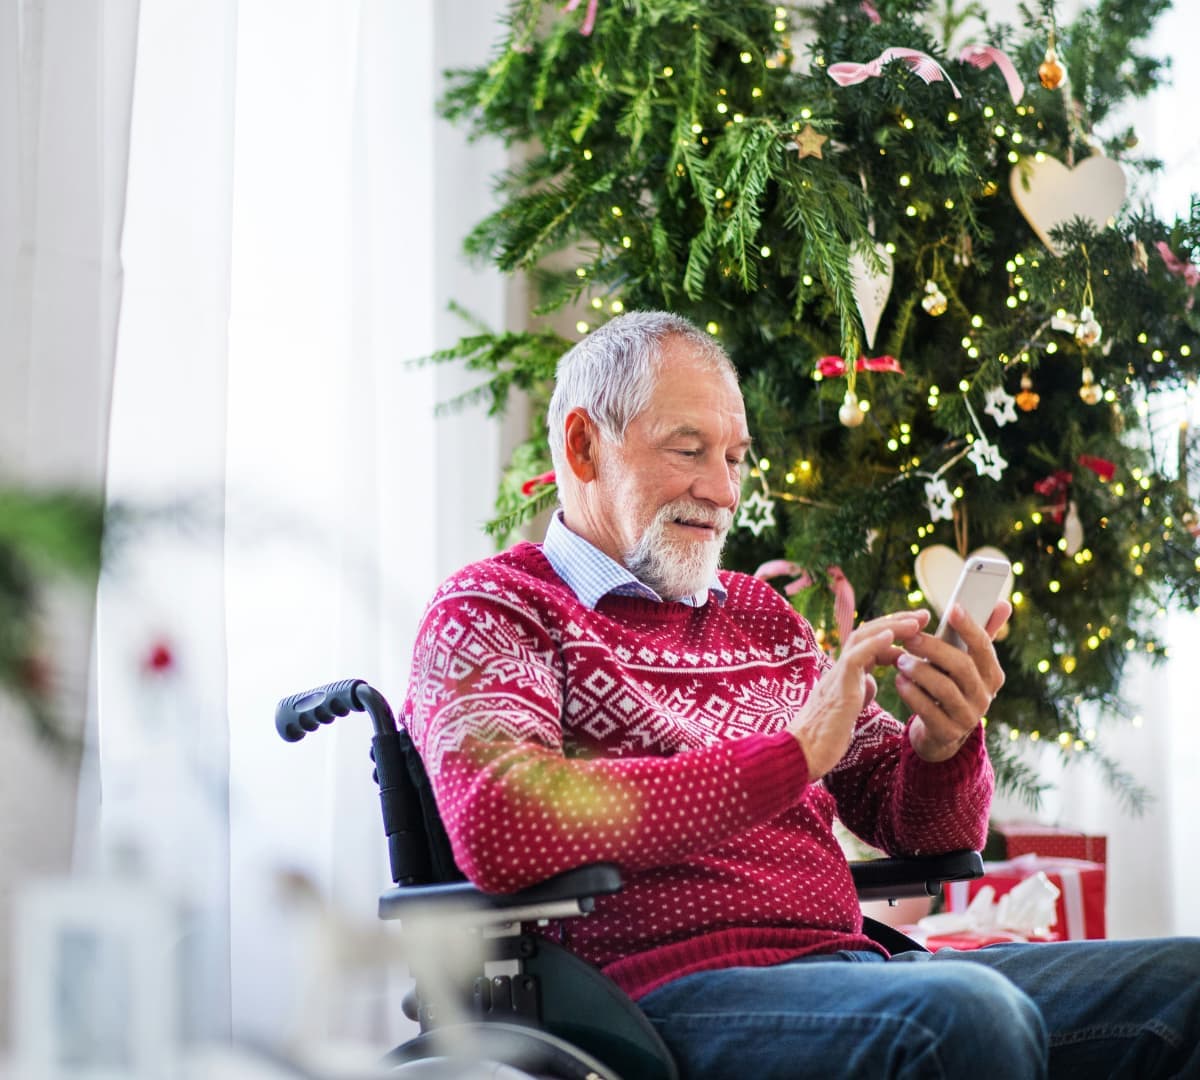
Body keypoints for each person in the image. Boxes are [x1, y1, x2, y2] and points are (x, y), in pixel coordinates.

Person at [400, 310, 1200, 1078]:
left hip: (849, 973)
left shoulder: (760, 616)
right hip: (646, 1001)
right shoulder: (496, 610)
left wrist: (942, 746)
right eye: (689, 450)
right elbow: (499, 817)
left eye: (737, 457)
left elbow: (929, 832)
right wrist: (789, 757)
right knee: (966, 1015)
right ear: (583, 445)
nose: (722, 490)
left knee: (1188, 982)